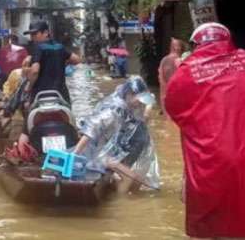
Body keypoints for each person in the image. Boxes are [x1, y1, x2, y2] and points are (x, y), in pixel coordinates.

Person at [165, 23, 245, 239]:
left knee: (205, 228)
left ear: (196, 43)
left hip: (206, 164)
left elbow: (173, 108)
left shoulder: (186, 71)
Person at [72, 76, 160, 192]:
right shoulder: (113, 110)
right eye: (138, 100)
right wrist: (74, 155)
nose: (139, 103)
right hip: (100, 153)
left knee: (136, 182)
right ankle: (121, 203)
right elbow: (90, 130)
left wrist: (147, 109)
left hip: (114, 149)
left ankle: (117, 189)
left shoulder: (128, 103)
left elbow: (149, 106)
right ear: (129, 94)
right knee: (130, 178)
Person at [24, 21, 81, 103]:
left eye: (35, 34)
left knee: (26, 107)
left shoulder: (38, 48)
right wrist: (62, 63)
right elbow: (77, 60)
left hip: (41, 95)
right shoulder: (60, 47)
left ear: (46, 33)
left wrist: (28, 87)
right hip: (61, 94)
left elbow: (34, 71)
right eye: (31, 34)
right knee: (69, 112)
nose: (32, 37)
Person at [158, 37, 183, 119]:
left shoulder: (163, 61)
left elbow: (161, 81)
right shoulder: (180, 61)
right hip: (177, 100)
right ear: (177, 47)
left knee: (168, 120)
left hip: (165, 99)